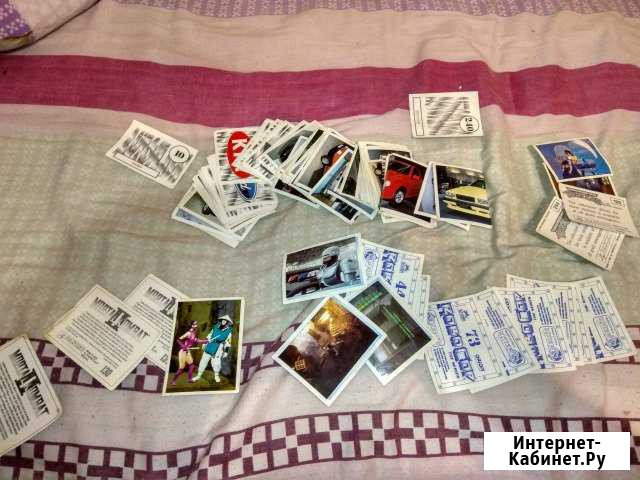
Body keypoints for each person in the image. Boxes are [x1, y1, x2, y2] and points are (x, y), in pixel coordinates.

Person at [193, 315, 234, 383]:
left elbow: (228, 342)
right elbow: (209, 335)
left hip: (218, 348)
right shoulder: (215, 327)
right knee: (203, 361)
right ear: (221, 321)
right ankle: (198, 376)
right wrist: (204, 343)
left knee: (216, 363)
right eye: (223, 320)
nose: (224, 322)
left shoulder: (228, 331)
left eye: (225, 321)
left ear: (227, 322)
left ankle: (216, 376)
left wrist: (226, 352)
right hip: (210, 345)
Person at [170, 321, 206, 385]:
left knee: (191, 365)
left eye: (196, 324)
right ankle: (173, 381)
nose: (196, 325)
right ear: (191, 325)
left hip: (187, 352)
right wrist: (183, 346)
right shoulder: (188, 333)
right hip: (183, 352)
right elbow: (178, 340)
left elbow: (196, 340)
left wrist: (204, 341)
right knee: (181, 368)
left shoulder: (193, 333)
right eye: (194, 324)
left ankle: (189, 379)